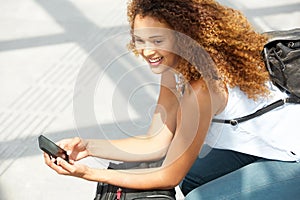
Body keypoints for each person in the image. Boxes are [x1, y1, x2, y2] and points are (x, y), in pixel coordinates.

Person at [43, 0, 300, 199]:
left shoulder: (204, 88)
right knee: (195, 177)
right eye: (140, 40)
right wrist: (87, 147)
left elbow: (168, 176)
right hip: (265, 146)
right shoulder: (173, 71)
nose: (146, 51)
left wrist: (89, 173)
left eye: (157, 40)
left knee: (201, 197)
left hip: (294, 154)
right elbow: (156, 141)